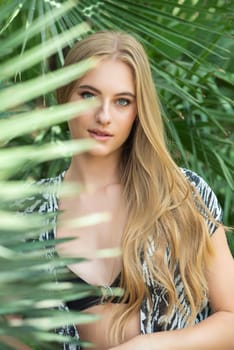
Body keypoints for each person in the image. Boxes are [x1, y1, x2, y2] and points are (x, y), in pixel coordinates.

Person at [23, 31, 234, 350]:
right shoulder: (28, 212)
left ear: (138, 110)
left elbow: (231, 319)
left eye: (122, 101)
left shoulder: (182, 196)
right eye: (88, 95)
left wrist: (147, 347)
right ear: (65, 95)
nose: (103, 116)